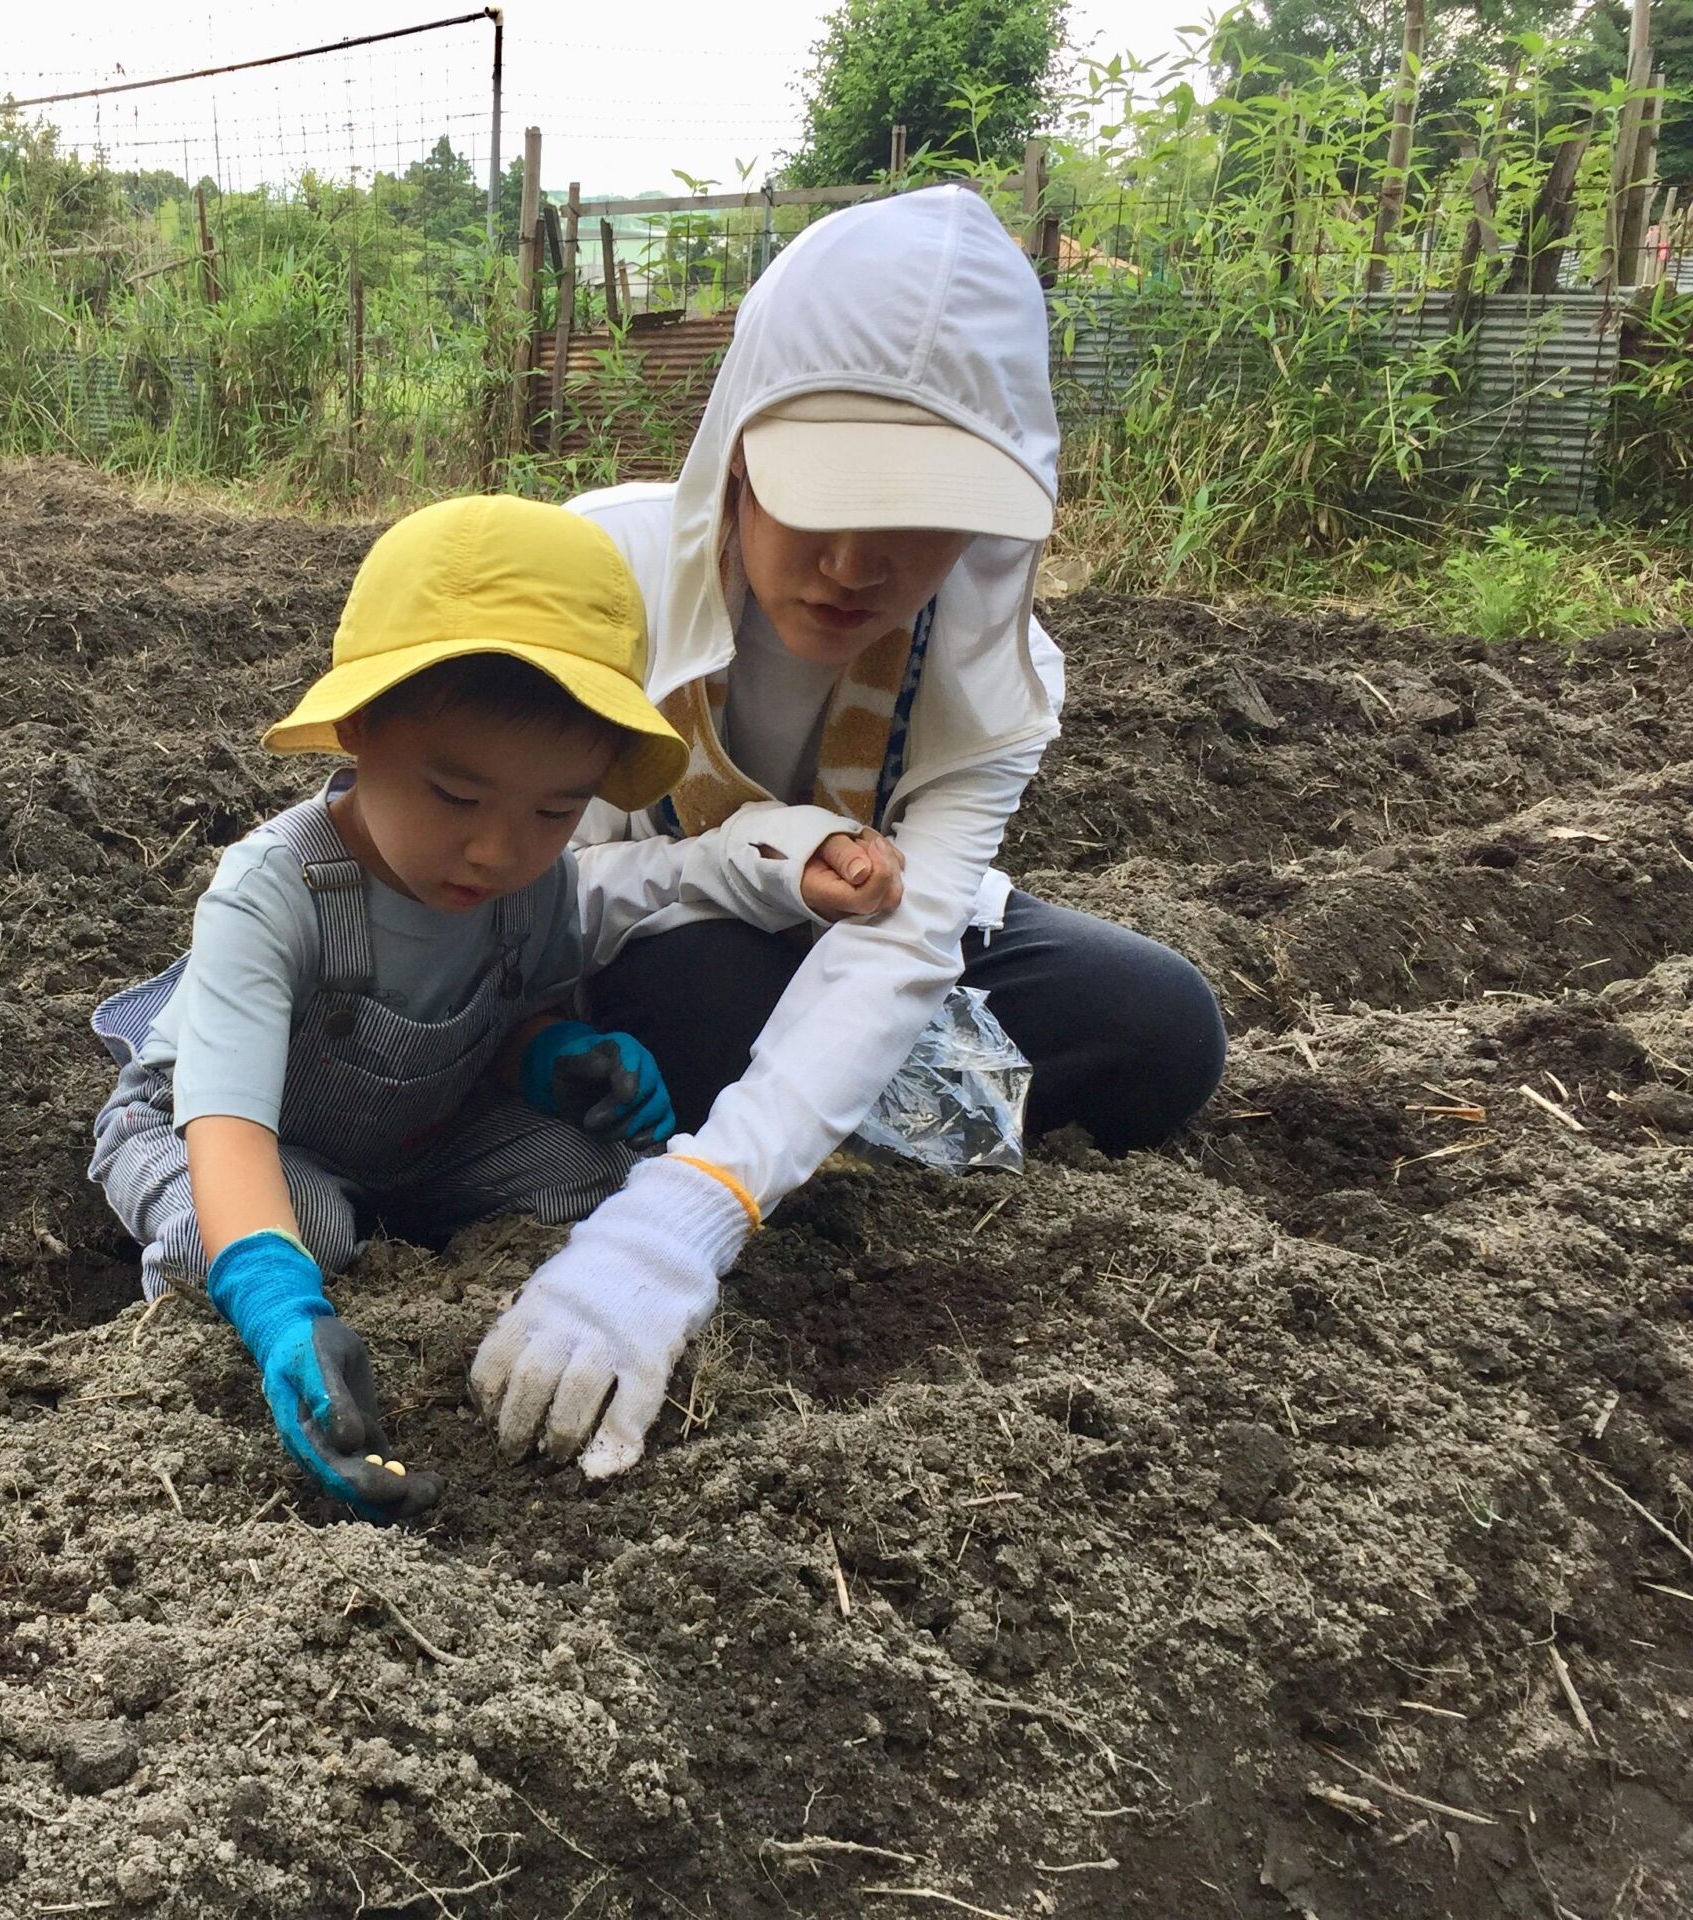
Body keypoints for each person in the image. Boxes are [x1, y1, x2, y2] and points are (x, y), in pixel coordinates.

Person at [471, 186, 1229, 1480]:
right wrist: (755, 862)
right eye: (824, 496)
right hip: (637, 931)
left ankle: (799, 1109)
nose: (855, 564)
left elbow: (908, 935)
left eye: (919, 513)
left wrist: (689, 1215)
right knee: (696, 998)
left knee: (1167, 1031)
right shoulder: (600, 572)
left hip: (866, 932)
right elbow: (525, 895)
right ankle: (832, 1099)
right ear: (745, 447)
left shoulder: (996, 678)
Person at [90, 496, 863, 1521]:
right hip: (227, 1136)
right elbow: (227, 1130)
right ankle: (273, 1294)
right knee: (293, 1228)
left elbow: (505, 1021)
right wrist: (281, 1314)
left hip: (426, 1135)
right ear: (360, 730)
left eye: (553, 811)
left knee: (599, 1178)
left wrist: (554, 1059)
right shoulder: (271, 892)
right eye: (456, 797)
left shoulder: (532, 888)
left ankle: (391, 1228)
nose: (499, 851)